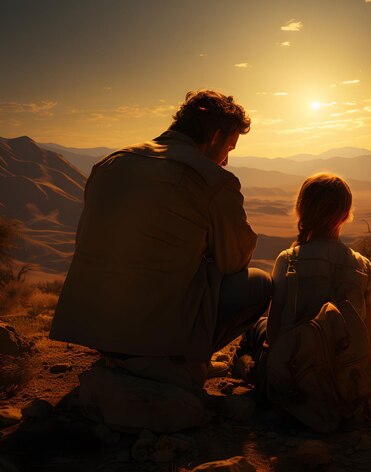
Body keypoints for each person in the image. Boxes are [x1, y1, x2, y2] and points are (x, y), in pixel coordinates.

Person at [50, 89, 271, 398]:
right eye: (229, 147)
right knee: (258, 283)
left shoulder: (111, 162)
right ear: (217, 134)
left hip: (92, 325)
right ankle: (173, 364)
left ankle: (124, 358)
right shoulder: (210, 178)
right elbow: (234, 261)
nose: (227, 159)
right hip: (152, 330)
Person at [235, 173, 371, 394]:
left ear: (301, 210)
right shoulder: (363, 267)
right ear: (345, 215)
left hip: (295, 377)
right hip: (346, 382)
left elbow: (273, 334)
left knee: (254, 330)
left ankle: (245, 368)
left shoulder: (288, 260)